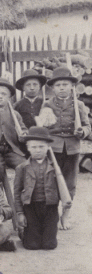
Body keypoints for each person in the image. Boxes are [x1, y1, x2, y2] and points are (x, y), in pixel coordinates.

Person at [39, 67, 91, 230]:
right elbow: (43, 128)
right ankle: (52, 215)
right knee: (51, 182)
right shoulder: (47, 104)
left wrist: (83, 132)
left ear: (72, 87)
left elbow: (87, 126)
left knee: (70, 183)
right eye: (58, 85)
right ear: (53, 88)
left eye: (65, 84)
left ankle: (66, 215)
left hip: (72, 149)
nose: (62, 87)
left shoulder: (80, 105)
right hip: (53, 149)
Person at [14, 126, 59, 250]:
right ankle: (25, 234)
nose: (37, 150)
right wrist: (20, 213)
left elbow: (63, 188)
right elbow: (17, 192)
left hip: (50, 206)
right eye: (33, 147)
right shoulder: (22, 168)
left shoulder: (55, 167)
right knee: (31, 245)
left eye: (41, 146)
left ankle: (47, 234)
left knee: (49, 245)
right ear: (28, 148)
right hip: (30, 207)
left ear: (48, 147)